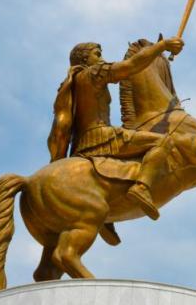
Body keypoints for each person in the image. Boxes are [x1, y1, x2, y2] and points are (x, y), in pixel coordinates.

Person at [47, 37, 184, 220]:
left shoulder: (70, 84)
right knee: (165, 141)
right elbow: (130, 66)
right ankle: (142, 187)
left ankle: (106, 215)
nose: (102, 58)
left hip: (79, 148)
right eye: (97, 54)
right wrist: (162, 46)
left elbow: (61, 128)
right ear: (85, 59)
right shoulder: (94, 73)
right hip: (103, 137)